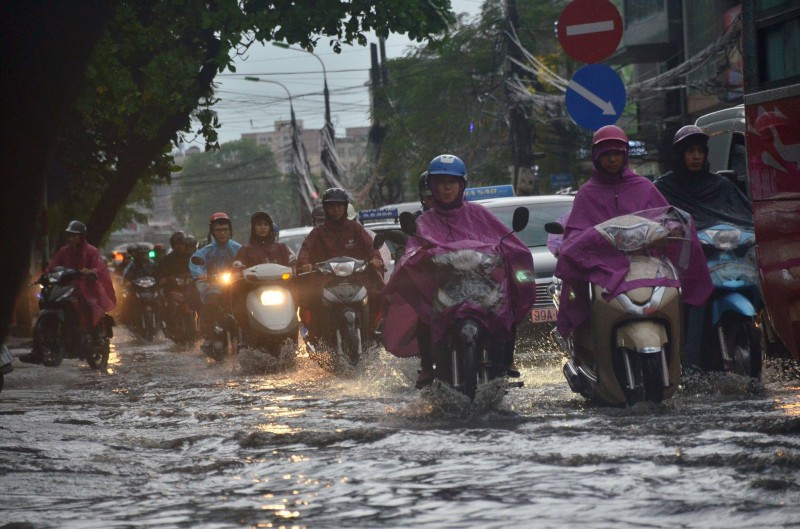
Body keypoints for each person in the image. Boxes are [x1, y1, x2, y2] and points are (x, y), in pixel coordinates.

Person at [554, 125, 712, 359]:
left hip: (645, 265)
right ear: (597, 157)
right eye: (606, 154)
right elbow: (576, 233)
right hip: (603, 270)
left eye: (617, 153)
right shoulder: (587, 194)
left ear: (625, 155)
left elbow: (664, 217)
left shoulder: (644, 187)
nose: (612, 159)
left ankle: (681, 357)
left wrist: (672, 228)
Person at [382, 154, 536, 388]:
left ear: (462, 185)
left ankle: (507, 359)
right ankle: (426, 365)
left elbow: (507, 242)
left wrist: (508, 255)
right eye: (440, 182)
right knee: (425, 313)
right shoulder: (425, 221)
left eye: (451, 182)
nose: (446, 187)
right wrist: (418, 260)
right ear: (432, 187)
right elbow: (414, 251)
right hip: (445, 290)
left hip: (481, 286)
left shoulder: (479, 214)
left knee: (506, 307)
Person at [654, 125, 754, 369]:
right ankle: (687, 361)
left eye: (700, 151)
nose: (696, 156)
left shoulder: (720, 185)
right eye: (690, 151)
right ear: (679, 155)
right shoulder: (663, 188)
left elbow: (745, 215)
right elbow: (656, 219)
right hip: (684, 264)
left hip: (723, 257)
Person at [21, 220, 116, 364]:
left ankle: (96, 337)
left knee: (90, 307)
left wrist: (90, 272)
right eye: (69, 235)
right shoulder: (63, 251)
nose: (71, 238)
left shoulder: (91, 251)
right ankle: (38, 351)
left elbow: (98, 267)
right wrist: (43, 276)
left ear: (81, 237)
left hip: (85, 288)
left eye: (74, 235)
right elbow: (53, 266)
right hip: (64, 287)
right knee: (45, 305)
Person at [296, 188, 385, 341]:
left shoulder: (355, 228)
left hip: (357, 278)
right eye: (331, 206)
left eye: (339, 205)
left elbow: (371, 247)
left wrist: (375, 259)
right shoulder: (318, 232)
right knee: (312, 298)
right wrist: (305, 264)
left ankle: (373, 331)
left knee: (377, 295)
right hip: (326, 280)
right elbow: (305, 251)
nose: (335, 209)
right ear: (325, 209)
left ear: (345, 207)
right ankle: (317, 336)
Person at [189, 212, 242, 353]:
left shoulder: (238, 248)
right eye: (218, 230)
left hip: (233, 286)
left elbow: (246, 262)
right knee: (211, 303)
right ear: (213, 231)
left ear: (230, 231)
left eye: (225, 230)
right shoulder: (206, 250)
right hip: (212, 287)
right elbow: (196, 263)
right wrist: (201, 275)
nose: (222, 233)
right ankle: (210, 336)